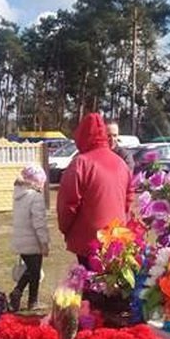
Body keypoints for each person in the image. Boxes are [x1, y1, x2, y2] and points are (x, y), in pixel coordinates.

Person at [57, 113, 133, 267]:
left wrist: (66, 229)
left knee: (89, 279)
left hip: (88, 240)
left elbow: (67, 205)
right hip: (116, 236)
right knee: (112, 279)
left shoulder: (80, 163)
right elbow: (128, 199)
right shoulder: (121, 163)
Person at [9, 165, 50, 312]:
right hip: (32, 240)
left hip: (21, 239)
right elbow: (39, 222)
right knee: (34, 271)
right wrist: (44, 242)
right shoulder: (35, 197)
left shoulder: (19, 195)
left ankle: (19, 294)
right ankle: (31, 300)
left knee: (32, 270)